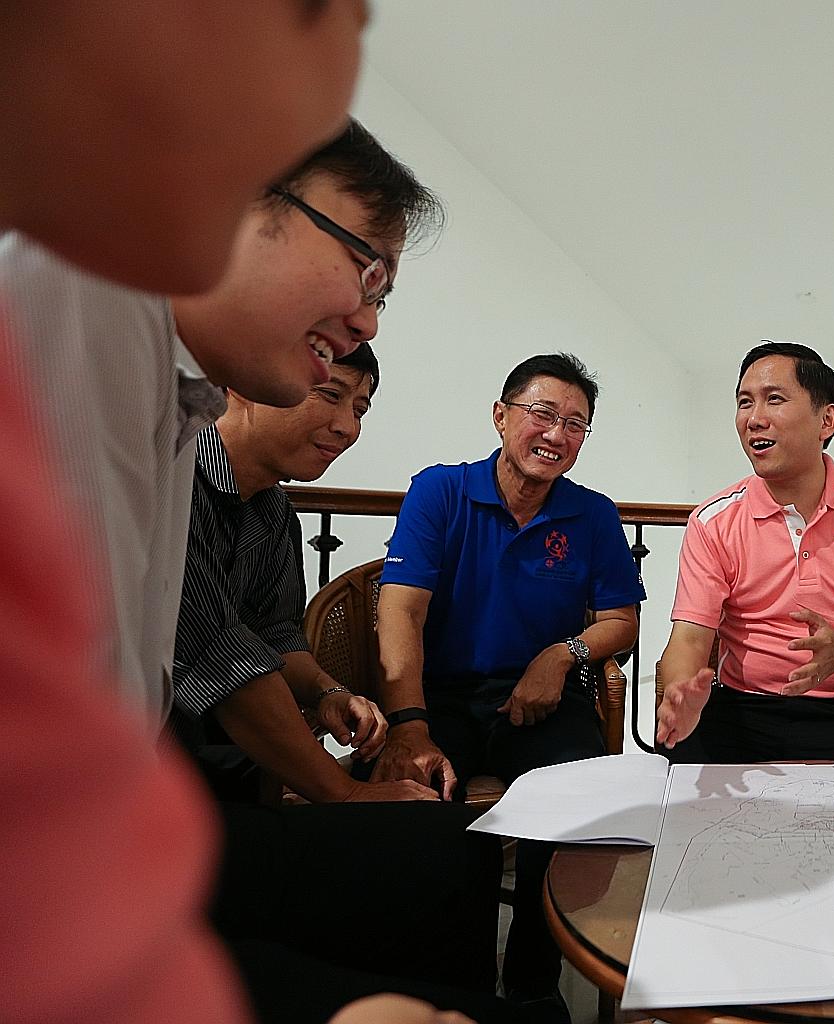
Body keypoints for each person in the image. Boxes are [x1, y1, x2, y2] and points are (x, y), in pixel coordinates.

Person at [0, 2, 371, 1022]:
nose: (364, 323)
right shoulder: (82, 288)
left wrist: (336, 699)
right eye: (365, 267)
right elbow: (208, 658)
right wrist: (337, 790)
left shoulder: (196, 409)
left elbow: (263, 641)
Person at [368, 351, 643, 997]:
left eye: (575, 424)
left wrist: (559, 656)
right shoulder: (441, 490)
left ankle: (531, 990)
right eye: (542, 414)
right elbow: (400, 607)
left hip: (541, 703)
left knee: (573, 803)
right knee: (428, 813)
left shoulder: (592, 513)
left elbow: (620, 621)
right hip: (442, 697)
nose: (556, 434)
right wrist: (409, 724)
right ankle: (450, 991)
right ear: (501, 415)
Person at [655, 341, 834, 763]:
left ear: (827, 419)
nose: (754, 419)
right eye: (744, 403)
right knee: (685, 809)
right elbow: (690, 637)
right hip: (743, 710)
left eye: (774, 400)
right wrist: (682, 692)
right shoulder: (713, 520)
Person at [172, 342, 432, 803]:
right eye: (330, 395)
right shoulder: (173, 480)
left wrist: (327, 691)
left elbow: (276, 631)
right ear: (247, 384)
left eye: (360, 409)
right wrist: (343, 793)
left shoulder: (274, 511)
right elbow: (226, 661)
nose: (347, 427)